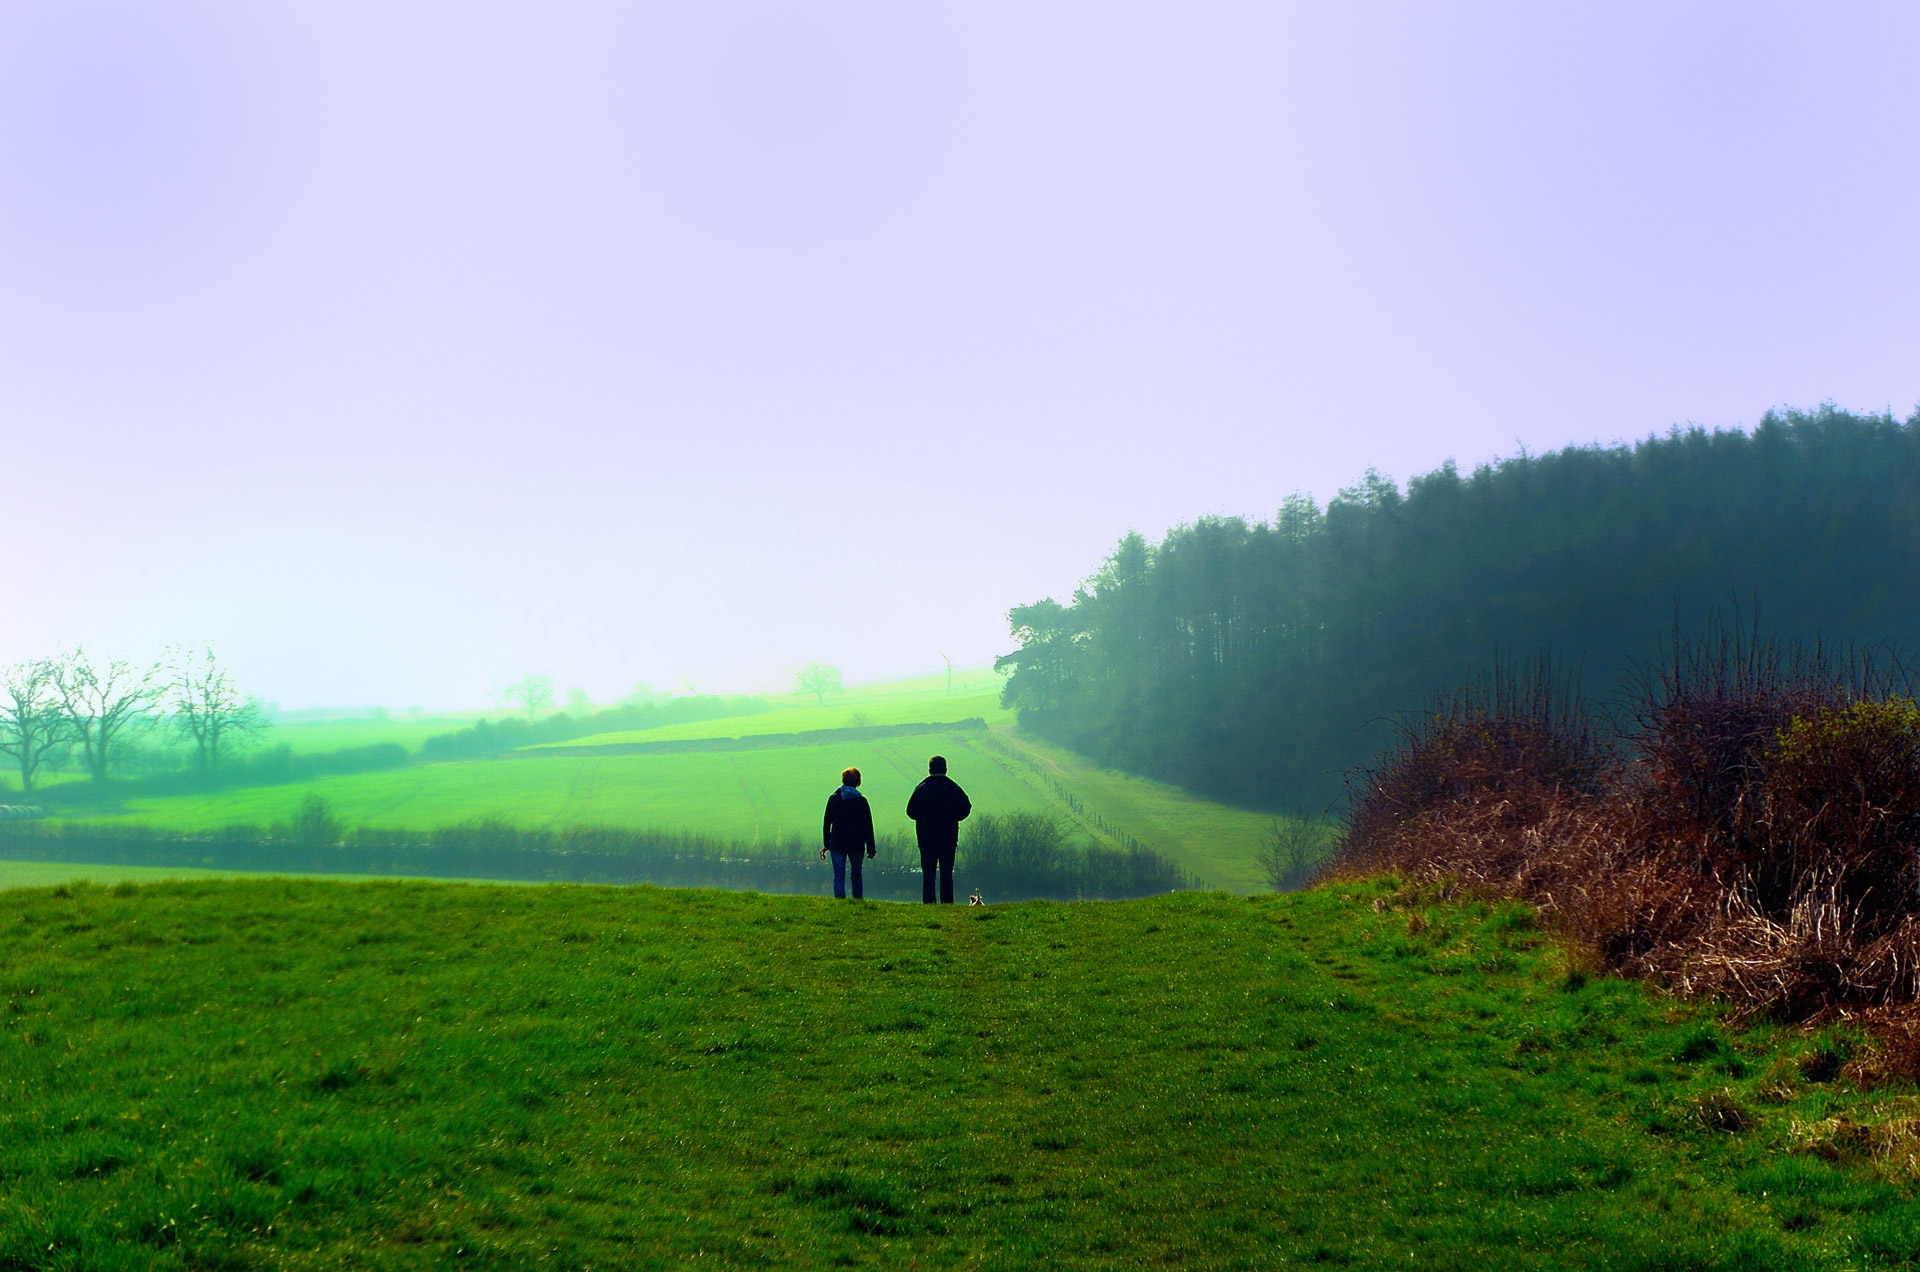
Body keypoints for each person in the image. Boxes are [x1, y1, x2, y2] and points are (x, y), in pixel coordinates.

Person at [906, 755, 971, 904]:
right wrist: (955, 818)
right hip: (948, 837)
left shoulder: (921, 788)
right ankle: (947, 903)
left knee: (928, 875)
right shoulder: (953, 788)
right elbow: (966, 808)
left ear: (929, 770)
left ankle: (929, 903)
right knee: (947, 873)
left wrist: (923, 819)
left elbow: (910, 811)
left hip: (926, 837)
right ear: (946, 769)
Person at [820, 766, 875, 900]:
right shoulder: (862, 801)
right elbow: (868, 825)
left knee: (839, 875)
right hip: (856, 843)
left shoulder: (834, 799)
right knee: (856, 874)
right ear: (858, 782)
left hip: (837, 843)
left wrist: (827, 843)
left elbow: (827, 823)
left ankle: (840, 901)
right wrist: (871, 847)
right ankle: (857, 900)